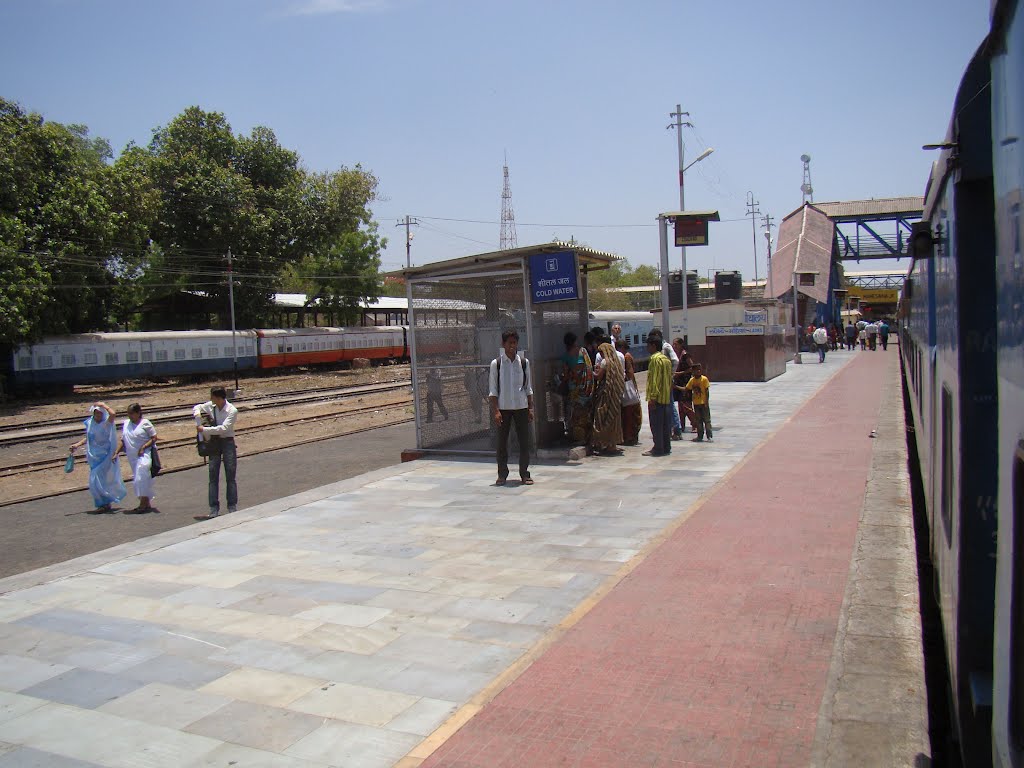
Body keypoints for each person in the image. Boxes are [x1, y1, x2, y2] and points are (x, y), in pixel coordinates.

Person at [488, 329, 534, 486]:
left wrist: (530, 407)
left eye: (515, 343)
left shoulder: (523, 362)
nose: (512, 346)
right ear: (503, 344)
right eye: (510, 343)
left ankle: (525, 474)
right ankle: (502, 474)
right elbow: (493, 390)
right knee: (502, 443)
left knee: (524, 442)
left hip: (521, 406)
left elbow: (528, 387)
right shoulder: (497, 364)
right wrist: (496, 411)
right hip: (504, 408)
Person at [69, 402, 127, 513]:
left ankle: (105, 502)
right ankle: (103, 503)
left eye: (100, 413)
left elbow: (113, 414)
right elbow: (89, 437)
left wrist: (104, 405)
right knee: (95, 481)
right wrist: (77, 445)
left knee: (96, 480)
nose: (98, 415)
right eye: (96, 413)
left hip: (105, 455)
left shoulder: (106, 423)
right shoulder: (90, 423)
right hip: (94, 457)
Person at [194, 386, 238, 519]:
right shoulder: (211, 406)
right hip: (214, 443)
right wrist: (197, 414)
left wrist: (205, 430)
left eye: (212, 397)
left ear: (219, 398)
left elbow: (224, 429)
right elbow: (197, 407)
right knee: (213, 475)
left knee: (230, 475)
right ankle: (213, 507)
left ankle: (232, 506)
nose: (210, 399)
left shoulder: (232, 410)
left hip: (227, 442)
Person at [114, 403, 158, 513]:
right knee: (141, 479)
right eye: (128, 413)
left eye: (132, 413)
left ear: (138, 413)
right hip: (132, 456)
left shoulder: (145, 423)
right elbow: (123, 440)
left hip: (144, 455)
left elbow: (154, 438)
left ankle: (142, 504)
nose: (130, 416)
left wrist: (143, 447)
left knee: (140, 478)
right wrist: (116, 452)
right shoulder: (126, 424)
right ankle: (146, 502)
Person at [561, 332, 595, 452]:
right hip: (586, 388)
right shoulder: (583, 352)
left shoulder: (565, 356)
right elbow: (585, 368)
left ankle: (578, 437)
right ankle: (588, 437)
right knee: (586, 412)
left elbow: (565, 374)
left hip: (574, 389)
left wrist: (569, 375)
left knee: (575, 414)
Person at [591, 339, 625, 455]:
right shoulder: (616, 362)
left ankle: (602, 442)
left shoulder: (606, 362)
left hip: (606, 394)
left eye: (601, 352)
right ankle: (612, 444)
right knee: (614, 418)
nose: (600, 355)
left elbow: (599, 377)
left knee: (602, 416)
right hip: (615, 395)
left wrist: (591, 371)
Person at [643, 333, 673, 457]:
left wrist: (652, 398)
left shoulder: (655, 359)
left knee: (656, 425)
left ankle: (658, 448)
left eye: (648, 346)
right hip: (666, 398)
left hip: (658, 399)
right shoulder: (666, 359)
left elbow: (655, 380)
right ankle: (666, 446)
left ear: (653, 346)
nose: (647, 348)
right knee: (665, 426)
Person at [617, 339, 642, 446]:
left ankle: (629, 437)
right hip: (631, 387)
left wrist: (629, 386)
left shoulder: (626, 357)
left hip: (628, 388)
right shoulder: (628, 356)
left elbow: (630, 372)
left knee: (628, 414)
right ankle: (630, 436)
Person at [671, 337, 698, 434]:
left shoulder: (685, 355)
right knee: (680, 406)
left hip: (685, 383)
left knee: (686, 405)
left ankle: (695, 424)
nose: (674, 346)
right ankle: (681, 426)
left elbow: (692, 368)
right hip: (678, 383)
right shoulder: (675, 355)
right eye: (673, 344)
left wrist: (680, 373)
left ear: (681, 344)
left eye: (676, 344)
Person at [685, 363, 713, 442]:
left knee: (707, 420)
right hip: (696, 404)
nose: (698, 371)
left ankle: (709, 436)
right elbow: (686, 388)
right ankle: (700, 436)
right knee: (698, 420)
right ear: (693, 371)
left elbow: (707, 391)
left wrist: (706, 402)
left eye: (700, 369)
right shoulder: (692, 380)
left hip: (704, 403)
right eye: (696, 370)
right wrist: (675, 386)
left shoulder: (704, 379)